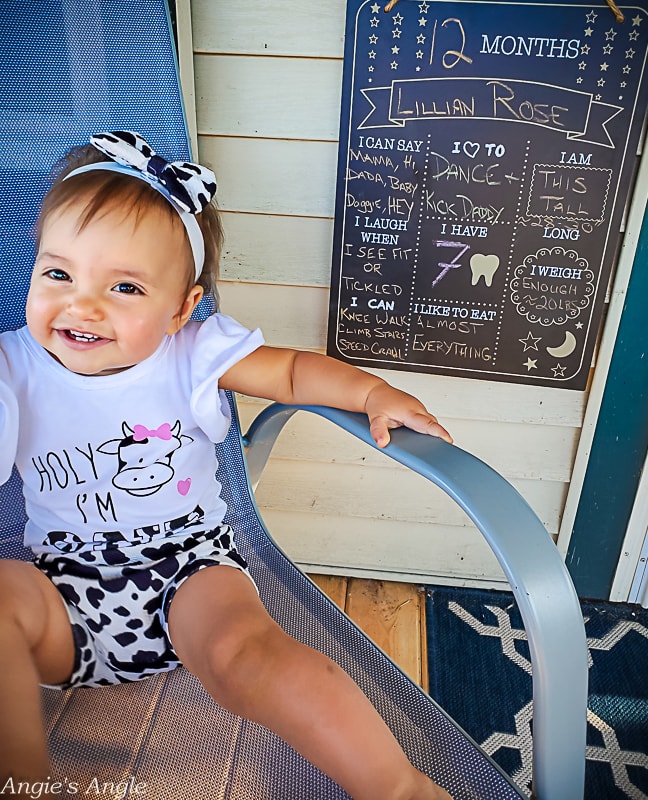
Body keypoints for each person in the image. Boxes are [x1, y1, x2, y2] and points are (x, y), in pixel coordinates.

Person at [0, 131, 454, 800]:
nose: (82, 304)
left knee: (250, 655)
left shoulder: (192, 352)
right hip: (64, 593)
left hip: (190, 574)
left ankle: (399, 786)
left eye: (124, 286)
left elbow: (293, 372)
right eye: (58, 273)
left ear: (182, 308)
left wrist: (371, 393)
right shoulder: (13, 366)